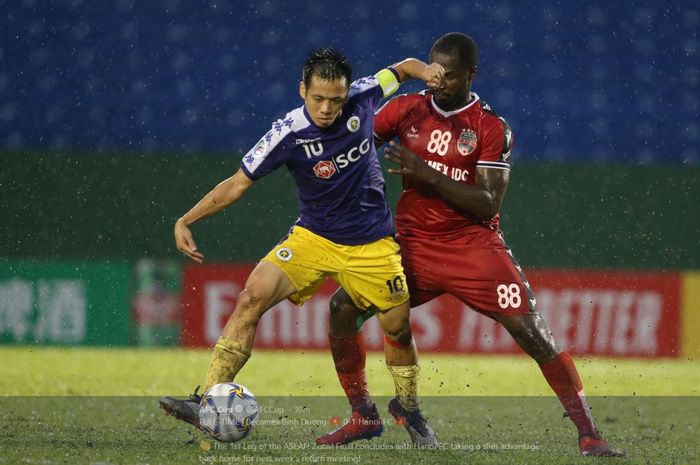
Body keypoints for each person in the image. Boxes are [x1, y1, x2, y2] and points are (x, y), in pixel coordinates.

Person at [315, 33, 625, 457]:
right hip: (410, 246)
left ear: (471, 75)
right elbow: (354, 142)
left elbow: (487, 202)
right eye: (435, 72)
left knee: (533, 332)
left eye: (451, 75)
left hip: (472, 246)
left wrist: (426, 173)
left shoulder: (489, 126)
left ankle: (589, 432)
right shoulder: (407, 110)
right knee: (341, 309)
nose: (439, 82)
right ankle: (363, 415)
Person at [159, 48, 446, 446]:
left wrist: (426, 70)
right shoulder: (287, 133)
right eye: (318, 99)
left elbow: (404, 68)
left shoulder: (364, 95)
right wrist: (186, 220)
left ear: (347, 93)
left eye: (335, 100)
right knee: (250, 297)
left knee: (397, 330)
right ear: (302, 91)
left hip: (371, 244)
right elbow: (237, 184)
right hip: (313, 238)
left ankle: (410, 410)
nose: (328, 108)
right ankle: (206, 398)